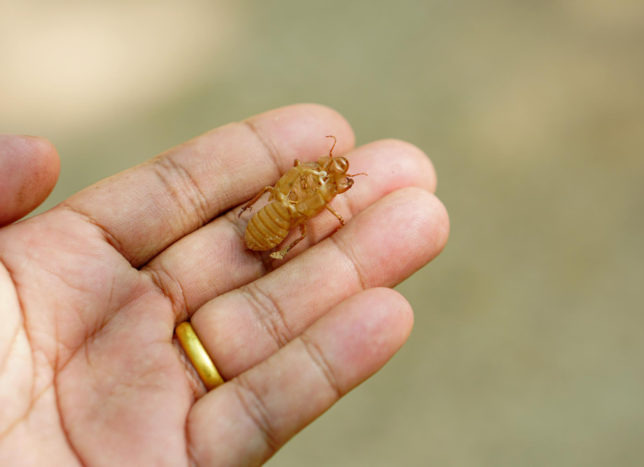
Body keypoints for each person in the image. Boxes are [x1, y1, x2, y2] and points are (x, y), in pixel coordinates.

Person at [0, 104, 449, 465]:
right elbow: (302, 197)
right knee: (290, 213)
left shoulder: (311, 187)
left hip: (274, 217)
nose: (330, 174)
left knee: (290, 212)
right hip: (275, 219)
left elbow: (297, 195)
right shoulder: (317, 190)